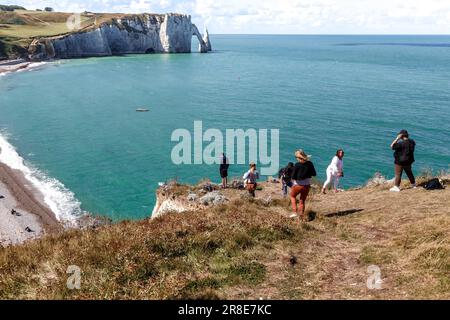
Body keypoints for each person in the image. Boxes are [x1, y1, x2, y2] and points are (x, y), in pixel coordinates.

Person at [290, 150, 317, 222]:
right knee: (302, 201)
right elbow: (314, 174)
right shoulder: (310, 163)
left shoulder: (297, 165)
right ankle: (300, 217)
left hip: (298, 185)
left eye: (296, 157)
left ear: (299, 157)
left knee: (292, 196)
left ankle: (295, 212)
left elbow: (293, 176)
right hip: (307, 185)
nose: (296, 158)